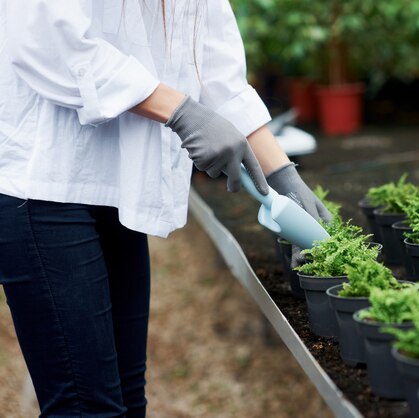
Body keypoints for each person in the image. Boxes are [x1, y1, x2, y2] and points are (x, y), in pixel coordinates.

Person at [0, 1, 330, 417]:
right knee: (86, 407)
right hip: (43, 181)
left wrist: (282, 175)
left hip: (114, 182)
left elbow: (211, 56)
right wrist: (180, 111)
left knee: (127, 397)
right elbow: (45, 40)